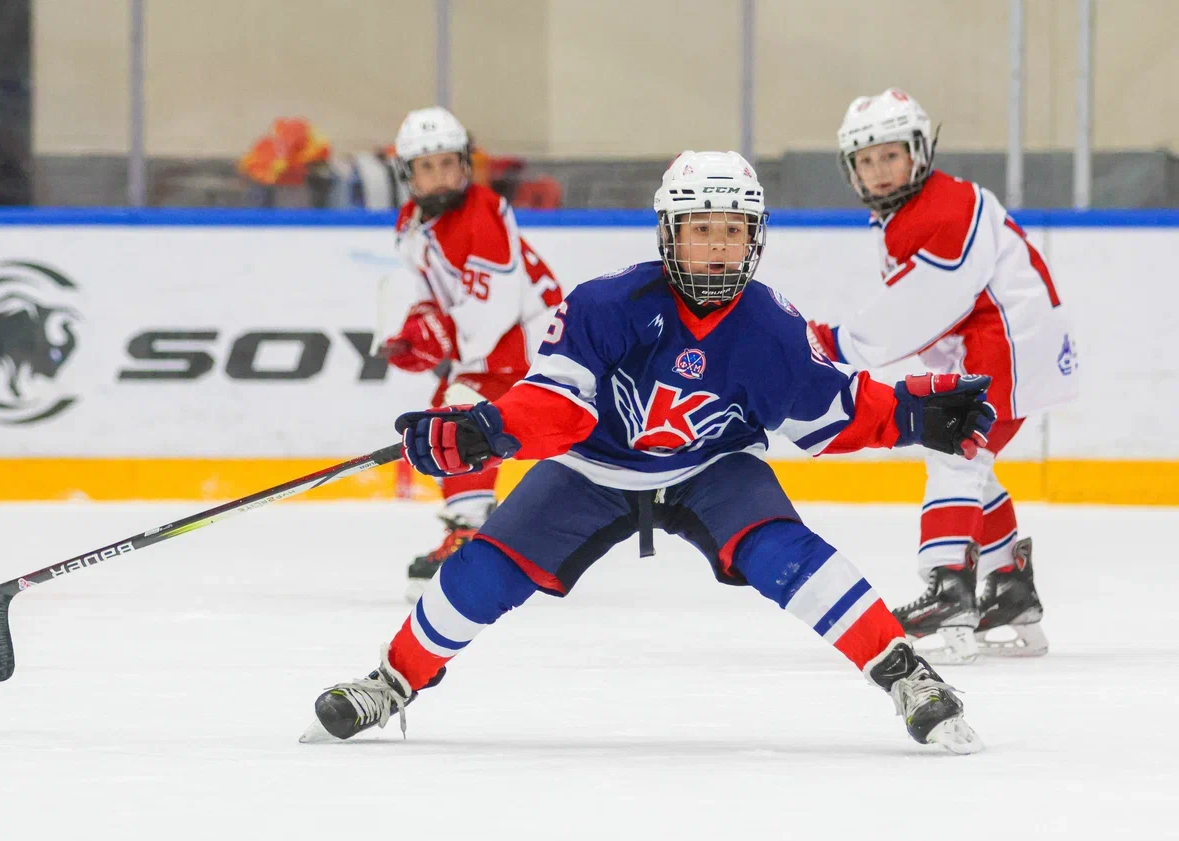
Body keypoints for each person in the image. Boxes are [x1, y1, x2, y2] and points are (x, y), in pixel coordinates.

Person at [303, 151, 995, 754]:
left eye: (733, 230)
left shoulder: (772, 328)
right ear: (671, 234)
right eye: (702, 230)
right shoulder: (609, 305)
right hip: (592, 469)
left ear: (754, 238)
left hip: (711, 469)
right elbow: (557, 405)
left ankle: (905, 673)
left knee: (787, 551)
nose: (718, 247)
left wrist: (909, 413)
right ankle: (394, 679)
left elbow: (833, 410)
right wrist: (490, 427)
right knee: (484, 572)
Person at [807, 89, 1079, 663]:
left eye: (890, 156)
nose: (878, 172)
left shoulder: (942, 209)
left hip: (1006, 346)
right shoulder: (913, 211)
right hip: (1001, 345)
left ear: (919, 152)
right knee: (972, 466)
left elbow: (916, 309)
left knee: (956, 456)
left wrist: (832, 342)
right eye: (865, 161)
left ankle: (949, 588)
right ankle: (1010, 589)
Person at [383, 106, 563, 601]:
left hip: (536, 344)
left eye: (448, 163)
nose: (440, 177)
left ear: (465, 163)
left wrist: (436, 337)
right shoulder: (412, 222)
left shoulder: (483, 215)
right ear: (408, 174)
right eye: (427, 167)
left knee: (456, 417)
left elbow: (490, 317)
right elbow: (428, 289)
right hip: (503, 347)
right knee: (456, 414)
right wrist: (419, 326)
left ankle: (472, 534)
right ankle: (481, 528)